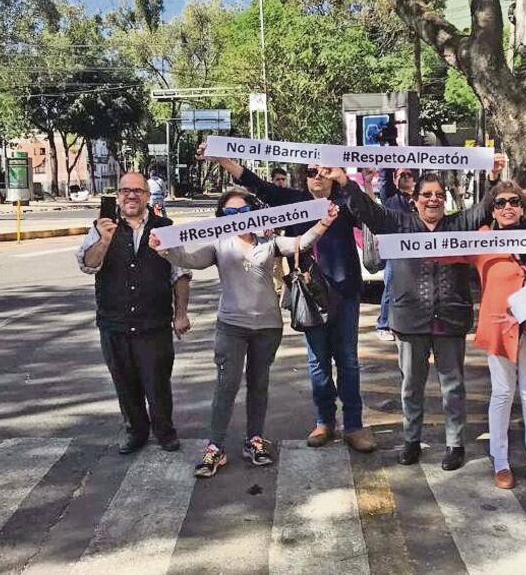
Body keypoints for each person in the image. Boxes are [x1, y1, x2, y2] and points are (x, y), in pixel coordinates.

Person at [149, 188, 341, 477]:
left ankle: (255, 439)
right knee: (226, 387)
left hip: (267, 327)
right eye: (230, 214)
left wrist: (324, 222)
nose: (237, 218)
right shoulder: (219, 243)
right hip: (231, 327)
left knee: (259, 384)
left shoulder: (269, 240)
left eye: (242, 212)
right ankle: (215, 447)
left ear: (253, 211)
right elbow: (191, 260)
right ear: (222, 218)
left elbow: (300, 243)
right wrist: (165, 249)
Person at [198, 146, 376, 454]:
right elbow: (255, 183)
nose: (317, 176)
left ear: (334, 174)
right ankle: (324, 422)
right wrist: (222, 159)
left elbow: (373, 216)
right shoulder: (293, 202)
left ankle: (355, 425)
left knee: (347, 361)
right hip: (308, 294)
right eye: (311, 172)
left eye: (323, 171)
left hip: (345, 292)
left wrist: (355, 184)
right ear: (303, 177)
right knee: (317, 361)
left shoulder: (347, 200)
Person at [333, 159, 504, 471]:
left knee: (453, 386)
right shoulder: (398, 223)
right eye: (427, 194)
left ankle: (455, 444)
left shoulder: (458, 226)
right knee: (411, 385)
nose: (433, 199)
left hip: (450, 319)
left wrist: (493, 179)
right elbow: (366, 210)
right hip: (410, 320)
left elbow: (483, 210)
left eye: (438, 195)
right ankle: (411, 440)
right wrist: (345, 182)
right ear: (416, 200)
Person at [438, 180, 526, 490]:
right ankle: (502, 462)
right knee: (502, 394)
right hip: (499, 329)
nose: (507, 207)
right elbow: (443, 252)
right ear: (492, 210)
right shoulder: (483, 238)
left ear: (523, 207)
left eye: (514, 202)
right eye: (500, 203)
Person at [76, 172, 192, 454]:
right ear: (117, 195)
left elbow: (180, 273)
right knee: (125, 384)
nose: (131, 196)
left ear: (147, 197)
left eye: (138, 191)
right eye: (125, 190)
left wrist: (181, 313)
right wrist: (104, 241)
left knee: (158, 383)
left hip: (154, 323)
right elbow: (87, 265)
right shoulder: (101, 227)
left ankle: (165, 432)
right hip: (114, 324)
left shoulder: (164, 228)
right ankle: (136, 432)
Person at [367, 168, 416, 342]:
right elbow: (385, 176)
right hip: (395, 254)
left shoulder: (418, 199)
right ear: (395, 179)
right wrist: (388, 149)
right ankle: (383, 324)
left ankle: (406, 323)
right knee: (390, 288)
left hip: (416, 252)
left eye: (409, 175)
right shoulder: (391, 198)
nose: (406, 178)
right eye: (402, 175)